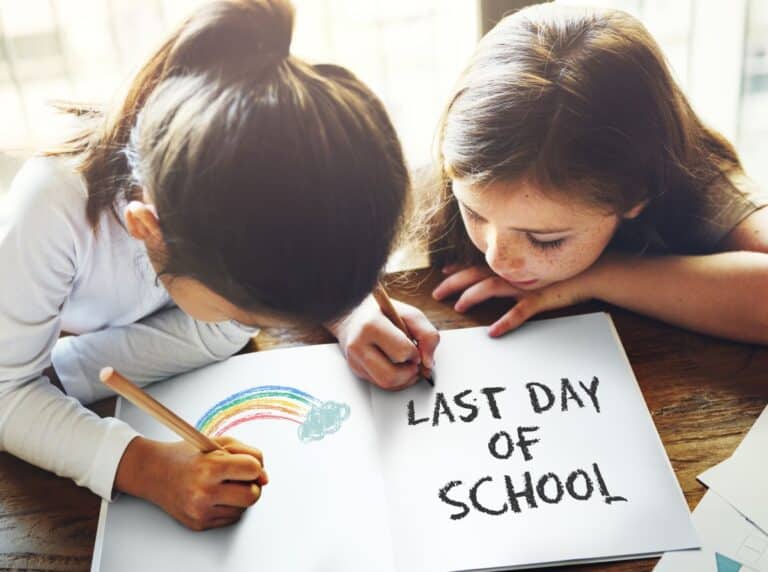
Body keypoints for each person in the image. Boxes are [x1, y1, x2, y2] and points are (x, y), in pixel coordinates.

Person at [0, 0, 434, 531]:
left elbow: (296, 230)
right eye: (255, 313)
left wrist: (348, 312)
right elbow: (7, 392)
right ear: (146, 230)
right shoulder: (51, 209)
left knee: (222, 332)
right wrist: (145, 467)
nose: (273, 324)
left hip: (106, 347)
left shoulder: (280, 135)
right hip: (27, 351)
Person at [422, 4, 768, 343]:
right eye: (473, 212)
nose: (498, 259)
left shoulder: (703, 185)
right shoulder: (454, 168)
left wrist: (599, 275)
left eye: (546, 239)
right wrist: (366, 315)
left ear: (635, 194)